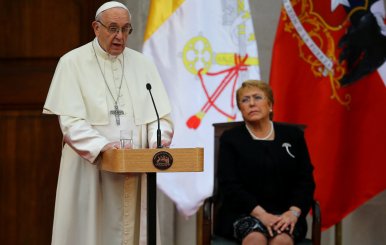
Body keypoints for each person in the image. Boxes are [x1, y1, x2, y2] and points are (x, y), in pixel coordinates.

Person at [43, 1, 173, 245]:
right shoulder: (72, 62)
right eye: (113, 28)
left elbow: (161, 118)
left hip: (135, 168)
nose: (120, 37)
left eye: (126, 29)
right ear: (96, 27)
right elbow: (71, 123)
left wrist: (158, 142)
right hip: (91, 170)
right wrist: (104, 146)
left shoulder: (143, 64)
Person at [215, 80, 315, 245]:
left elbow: (305, 180)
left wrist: (294, 212)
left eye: (257, 97)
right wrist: (262, 215)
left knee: (282, 240)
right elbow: (229, 185)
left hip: (286, 213)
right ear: (241, 109)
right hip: (243, 212)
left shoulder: (293, 136)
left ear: (270, 105)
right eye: (245, 100)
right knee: (255, 239)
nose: (252, 103)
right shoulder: (231, 139)